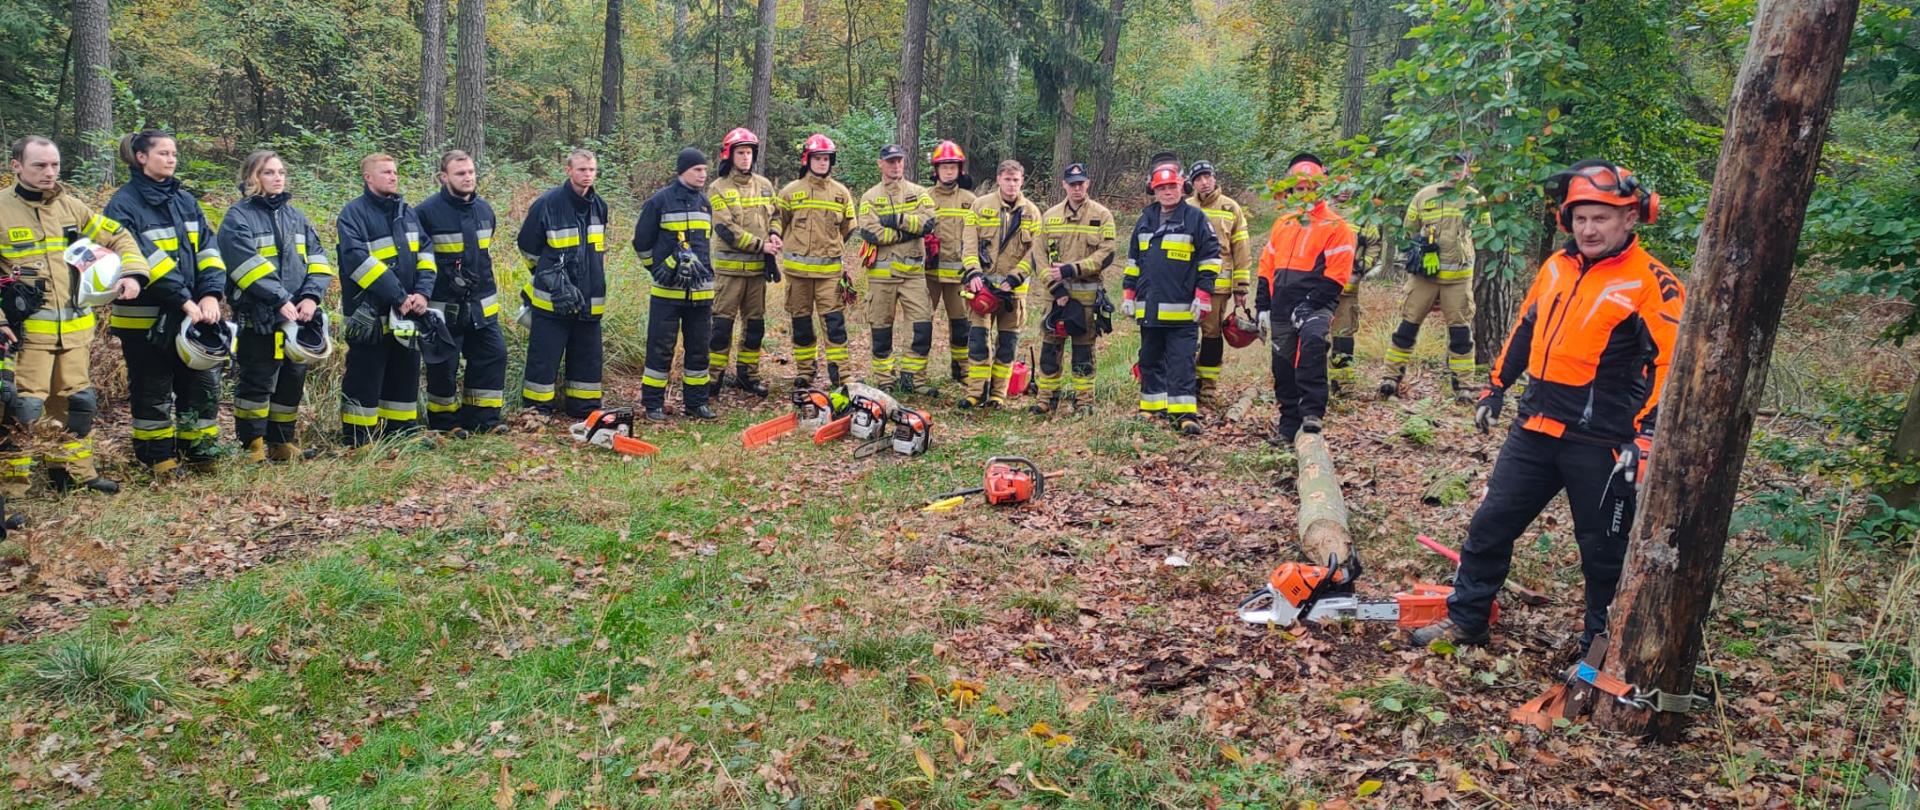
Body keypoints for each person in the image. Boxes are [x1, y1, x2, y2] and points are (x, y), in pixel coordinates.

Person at [1413, 160, 1685, 651]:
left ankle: (1600, 647)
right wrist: (1495, 386)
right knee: (1490, 525)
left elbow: (1672, 366)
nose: (1589, 228)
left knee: (1603, 553)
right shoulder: (1556, 267)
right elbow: (1524, 328)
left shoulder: (1653, 283)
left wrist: (1647, 436)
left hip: (1603, 441)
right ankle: (1467, 619)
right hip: (1535, 425)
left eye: (1602, 217)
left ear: (1630, 218)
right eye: (1581, 218)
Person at [0, 136, 150, 495]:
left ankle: (72, 474)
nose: (49, 172)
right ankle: (11, 492)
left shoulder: (72, 207)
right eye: (40, 165)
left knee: (75, 404)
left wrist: (132, 273)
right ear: (16, 166)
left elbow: (121, 237)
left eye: (54, 165)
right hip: (24, 337)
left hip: (77, 334)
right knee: (23, 410)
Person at [102, 130, 227, 473]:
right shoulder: (122, 204)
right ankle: (157, 458)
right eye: (163, 153)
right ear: (141, 157)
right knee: (152, 388)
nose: (171, 159)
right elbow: (146, 260)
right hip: (146, 318)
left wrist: (211, 294)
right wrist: (185, 301)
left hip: (195, 313)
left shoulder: (185, 200)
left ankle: (199, 451)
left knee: (199, 385)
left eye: (174, 153)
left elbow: (209, 250)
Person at [218, 149, 334, 462]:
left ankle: (282, 442)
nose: (277, 178)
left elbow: (319, 260)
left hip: (298, 316)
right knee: (257, 379)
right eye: (269, 172)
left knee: (291, 379)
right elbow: (244, 266)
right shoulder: (237, 217)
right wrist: (279, 298)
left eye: (281, 172)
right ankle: (252, 445)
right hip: (260, 314)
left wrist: (310, 296)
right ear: (252, 177)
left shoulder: (296, 217)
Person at [1254, 152, 1356, 445]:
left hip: (1317, 302)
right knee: (1282, 364)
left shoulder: (1336, 227)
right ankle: (1288, 424)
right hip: (1282, 304)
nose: (1305, 194)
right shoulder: (1283, 223)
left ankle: (1312, 414)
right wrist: (1262, 306)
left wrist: (1310, 303)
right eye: (1299, 189)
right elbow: (1266, 265)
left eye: (1311, 188)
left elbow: (1337, 275)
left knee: (1312, 346)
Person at [335, 153, 436, 447]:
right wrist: (398, 294)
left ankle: (400, 432)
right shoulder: (353, 214)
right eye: (386, 172)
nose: (393, 176)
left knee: (404, 372)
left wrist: (423, 293)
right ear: (368, 177)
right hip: (370, 315)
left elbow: (425, 253)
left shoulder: (407, 211)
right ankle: (358, 438)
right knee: (365, 375)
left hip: (407, 313)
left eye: (395, 171)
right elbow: (357, 261)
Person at [1380, 154, 1489, 403]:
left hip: (1459, 279)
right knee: (1407, 328)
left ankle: (1463, 386)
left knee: (1461, 334)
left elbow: (1485, 232)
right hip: (1424, 278)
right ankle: (1390, 378)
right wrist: (1417, 251)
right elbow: (1408, 230)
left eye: (1458, 168)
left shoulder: (1475, 199)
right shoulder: (1424, 195)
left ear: (1466, 170)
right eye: (1449, 167)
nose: (1454, 172)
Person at [1123, 159, 1220, 435]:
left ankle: (1184, 415)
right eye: (1162, 187)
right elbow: (1133, 261)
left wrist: (1203, 294)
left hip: (1182, 312)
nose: (1167, 192)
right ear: (1153, 190)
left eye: (1172, 186)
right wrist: (1129, 293)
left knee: (1181, 362)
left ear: (1182, 187)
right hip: (1150, 309)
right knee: (1150, 359)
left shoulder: (1195, 218)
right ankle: (1151, 408)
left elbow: (1211, 259)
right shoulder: (1145, 219)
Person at [417, 149, 508, 435]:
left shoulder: (484, 210)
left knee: (493, 356)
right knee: (444, 366)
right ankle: (446, 424)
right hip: (444, 309)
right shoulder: (425, 213)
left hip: (482, 306)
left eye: (470, 172)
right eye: (460, 173)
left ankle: (484, 420)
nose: (468, 178)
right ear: (444, 177)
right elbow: (420, 258)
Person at [518, 149, 610, 417]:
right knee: (543, 359)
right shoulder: (547, 204)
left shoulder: (600, 206)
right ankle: (536, 412)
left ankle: (584, 410)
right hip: (552, 302)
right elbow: (527, 246)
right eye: (582, 169)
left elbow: (598, 252)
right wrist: (546, 274)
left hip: (590, 299)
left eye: (592, 170)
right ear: (568, 170)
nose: (588, 175)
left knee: (588, 360)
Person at [632, 147, 718, 421]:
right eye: (697, 170)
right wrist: (658, 271)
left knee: (699, 350)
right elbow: (641, 243)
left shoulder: (705, 204)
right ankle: (653, 404)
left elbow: (705, 248)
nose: (703, 175)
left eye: (705, 170)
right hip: (667, 294)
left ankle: (697, 403)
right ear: (683, 171)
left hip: (701, 295)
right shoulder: (660, 202)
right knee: (659, 349)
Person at [1032, 162, 1115, 414]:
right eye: (1072, 184)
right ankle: (1046, 399)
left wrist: (1073, 268)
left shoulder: (1102, 215)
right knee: (1050, 348)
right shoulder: (1050, 216)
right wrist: (1056, 288)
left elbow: (1107, 253)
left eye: (1081, 183)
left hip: (1086, 296)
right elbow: (1038, 256)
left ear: (1087, 184)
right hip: (1055, 297)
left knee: (1083, 351)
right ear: (1064, 185)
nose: (1077, 188)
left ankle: (1084, 401)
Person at [774, 134, 857, 389]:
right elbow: (778, 221)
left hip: (829, 276)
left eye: (826, 159)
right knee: (801, 325)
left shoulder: (841, 194)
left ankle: (841, 375)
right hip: (797, 276)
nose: (822, 163)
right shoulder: (789, 192)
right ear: (807, 160)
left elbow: (848, 227)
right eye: (818, 158)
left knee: (834, 326)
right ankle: (805, 371)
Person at [959, 159, 1043, 409]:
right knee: (978, 341)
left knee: (1007, 344)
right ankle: (976, 392)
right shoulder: (980, 206)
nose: (1011, 184)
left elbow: (1035, 253)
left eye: (1016, 180)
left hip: (1013, 294)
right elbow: (969, 244)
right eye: (1007, 179)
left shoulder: (1032, 212)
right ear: (998, 179)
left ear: (1022, 181)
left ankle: (998, 394)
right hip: (981, 292)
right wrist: (973, 273)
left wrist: (1015, 278)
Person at [855, 143, 938, 394]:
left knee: (922, 326)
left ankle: (913, 379)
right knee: (881, 329)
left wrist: (898, 221)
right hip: (882, 276)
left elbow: (929, 222)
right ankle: (885, 380)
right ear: (880, 164)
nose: (896, 165)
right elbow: (870, 231)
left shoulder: (919, 192)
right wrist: (907, 233)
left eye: (899, 161)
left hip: (914, 274)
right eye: (890, 161)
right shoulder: (870, 196)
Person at [707, 127, 782, 396]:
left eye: (749, 153)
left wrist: (775, 233)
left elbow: (776, 215)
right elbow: (726, 229)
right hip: (729, 273)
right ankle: (712, 378)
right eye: (741, 153)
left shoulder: (764, 185)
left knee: (755, 326)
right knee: (721, 327)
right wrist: (762, 245)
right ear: (729, 155)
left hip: (757, 273)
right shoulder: (718, 188)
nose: (746, 158)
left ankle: (748, 375)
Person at [1185, 161, 1252, 410]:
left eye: (1208, 176)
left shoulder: (1230, 207)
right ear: (1192, 183)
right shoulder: (1185, 207)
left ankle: (1208, 389)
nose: (1204, 182)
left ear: (1214, 178)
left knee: (1211, 337)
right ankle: (1187, 385)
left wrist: (1241, 287)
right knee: (1186, 336)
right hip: (1186, 286)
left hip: (1217, 287)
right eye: (1199, 178)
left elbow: (1241, 249)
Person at [924, 141, 976, 385]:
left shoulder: (971, 200)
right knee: (921, 324)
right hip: (928, 275)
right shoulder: (923, 198)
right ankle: (916, 373)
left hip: (959, 277)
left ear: (960, 170)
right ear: (935, 170)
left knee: (961, 325)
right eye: (944, 167)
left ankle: (962, 371)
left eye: (952, 167)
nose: (948, 171)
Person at [1328, 187, 1381, 395]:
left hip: (1347, 287)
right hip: (1318, 285)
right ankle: (1315, 382)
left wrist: (1362, 267)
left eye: (1349, 188)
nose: (1344, 192)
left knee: (1343, 335)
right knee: (1316, 336)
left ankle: (1344, 386)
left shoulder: (1362, 214)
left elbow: (1374, 244)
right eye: (1339, 187)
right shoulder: (1319, 213)